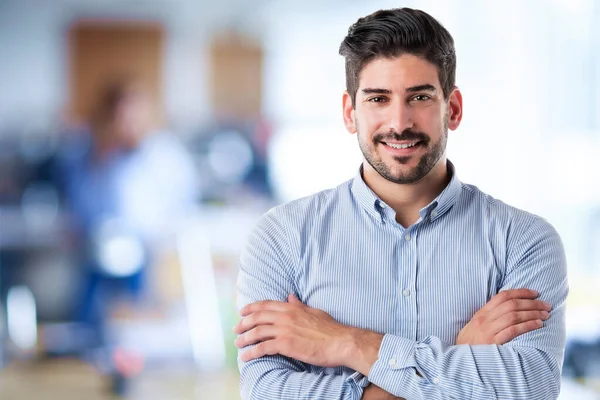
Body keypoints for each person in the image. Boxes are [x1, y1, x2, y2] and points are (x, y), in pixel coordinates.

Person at [234, 7, 567, 400]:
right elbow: (266, 391)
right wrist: (462, 360)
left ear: (453, 109)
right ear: (350, 113)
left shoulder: (525, 240)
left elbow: (531, 386)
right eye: (378, 98)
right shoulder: (282, 237)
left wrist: (347, 343)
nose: (399, 122)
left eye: (420, 97)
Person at [57, 77, 198, 392]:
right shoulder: (91, 154)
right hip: (97, 252)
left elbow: (183, 206)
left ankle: (131, 375)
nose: (127, 123)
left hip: (148, 252)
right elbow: (79, 204)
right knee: (90, 326)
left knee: (138, 327)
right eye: (120, 115)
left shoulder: (165, 154)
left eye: (133, 113)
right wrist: (100, 158)